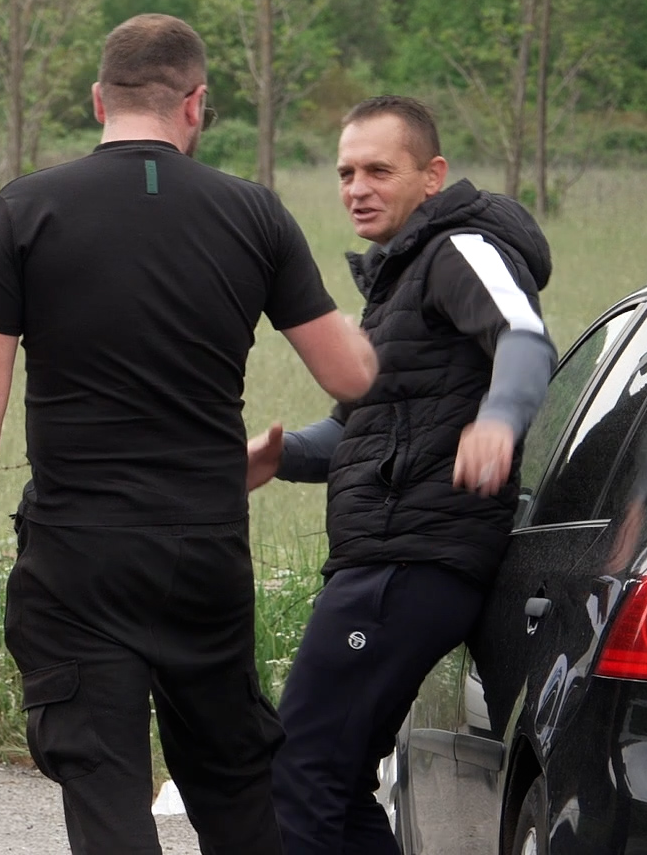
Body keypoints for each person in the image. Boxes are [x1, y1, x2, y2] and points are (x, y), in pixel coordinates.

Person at [0, 14, 377, 855]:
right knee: (234, 784)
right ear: (196, 103)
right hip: (203, 548)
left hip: (77, 551)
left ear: (100, 99)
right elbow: (349, 377)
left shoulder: (27, 207)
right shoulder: (254, 212)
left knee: (106, 791)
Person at [249, 95, 553, 855]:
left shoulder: (460, 248)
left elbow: (523, 336)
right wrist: (279, 456)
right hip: (389, 557)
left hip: (408, 561)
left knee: (300, 773)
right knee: (337, 780)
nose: (357, 188)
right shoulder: (399, 283)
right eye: (346, 172)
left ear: (432, 175)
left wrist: (499, 419)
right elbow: (353, 432)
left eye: (379, 171)